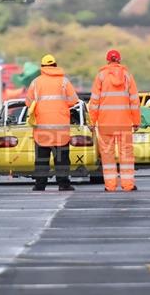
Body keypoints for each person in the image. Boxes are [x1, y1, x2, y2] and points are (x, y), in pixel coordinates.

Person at [24, 54, 79, 192]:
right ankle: (63, 184)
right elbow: (73, 100)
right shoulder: (64, 82)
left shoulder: (36, 82)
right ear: (55, 65)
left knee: (42, 159)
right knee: (62, 158)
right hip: (61, 127)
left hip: (42, 127)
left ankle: (40, 185)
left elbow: (29, 103)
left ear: (42, 67)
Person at [88, 49, 141, 192]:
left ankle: (110, 186)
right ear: (119, 60)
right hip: (124, 122)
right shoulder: (127, 76)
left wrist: (92, 122)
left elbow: (94, 102)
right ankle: (128, 185)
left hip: (105, 123)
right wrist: (136, 121)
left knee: (107, 155)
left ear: (107, 60)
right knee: (126, 155)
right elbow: (134, 101)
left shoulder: (101, 76)